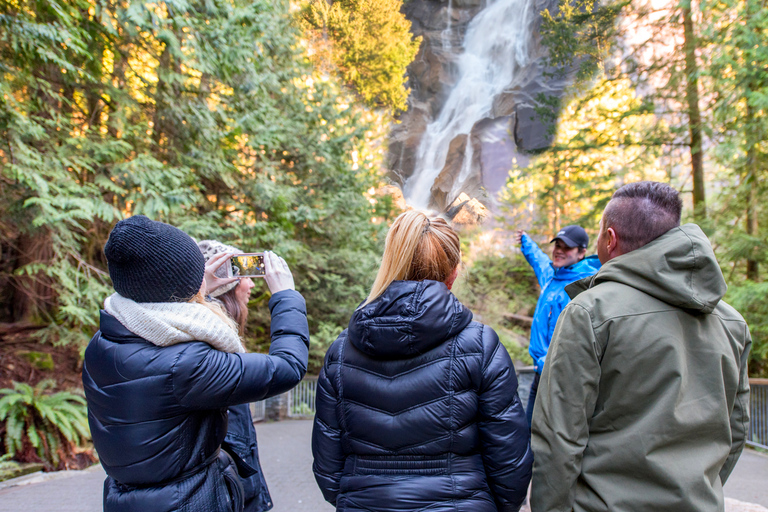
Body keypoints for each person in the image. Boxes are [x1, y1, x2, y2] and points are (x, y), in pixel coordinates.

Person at [530, 181, 751, 512]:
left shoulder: (590, 312)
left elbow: (559, 438)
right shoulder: (732, 323)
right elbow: (736, 430)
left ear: (610, 239)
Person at [82, 216, 309, 512]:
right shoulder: (186, 366)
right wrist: (285, 296)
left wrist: (200, 291)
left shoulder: (104, 342)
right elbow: (287, 366)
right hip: (187, 502)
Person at [312, 210, 533, 512]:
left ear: (389, 262)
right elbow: (510, 461)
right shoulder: (481, 345)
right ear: (454, 272)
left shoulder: (341, 351)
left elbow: (328, 464)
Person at [198, 239, 270, 512]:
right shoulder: (214, 347)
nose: (251, 285)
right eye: (244, 277)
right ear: (226, 285)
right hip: (228, 493)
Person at [515, 225, 600, 425]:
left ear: (581, 253)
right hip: (540, 372)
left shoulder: (582, 286)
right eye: (557, 245)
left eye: (567, 248)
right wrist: (526, 241)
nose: (559, 250)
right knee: (529, 434)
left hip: (560, 378)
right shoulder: (553, 275)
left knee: (553, 435)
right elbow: (539, 259)